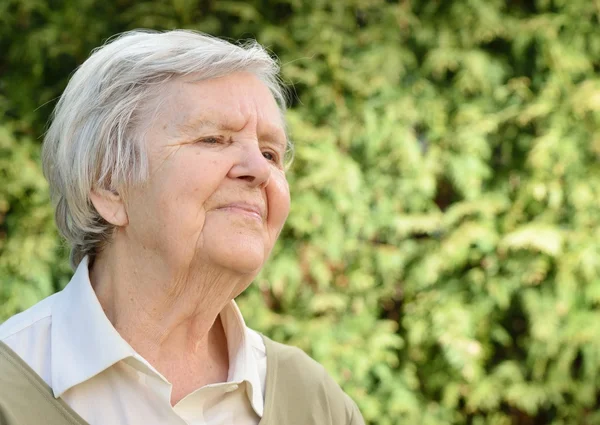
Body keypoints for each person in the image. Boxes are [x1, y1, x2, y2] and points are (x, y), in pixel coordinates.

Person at [0, 30, 364, 425]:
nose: (260, 170)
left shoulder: (314, 401)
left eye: (270, 153)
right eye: (213, 139)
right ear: (108, 186)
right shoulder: (12, 387)